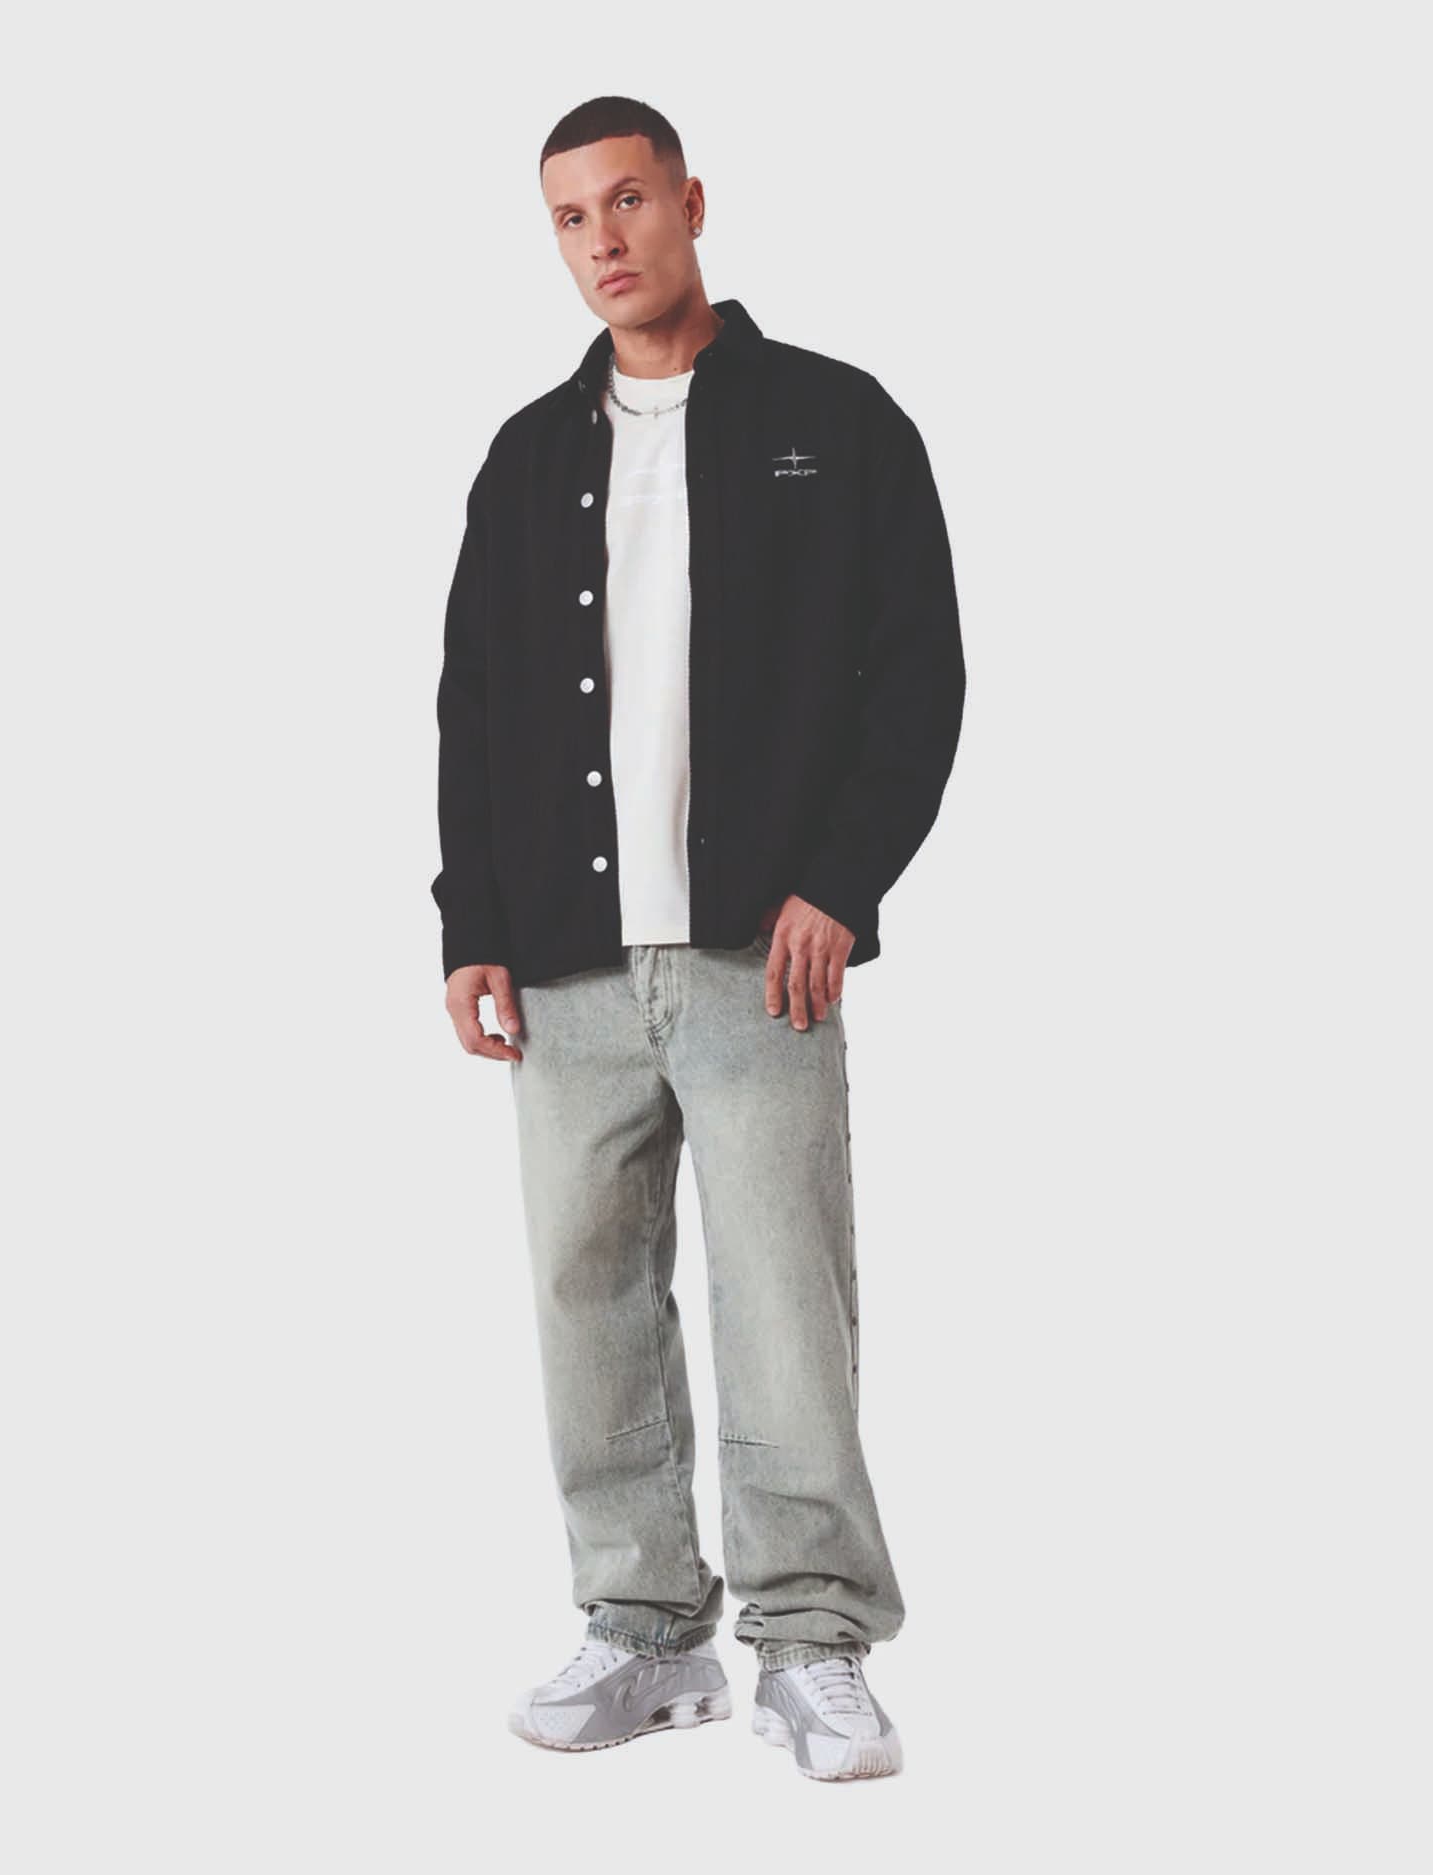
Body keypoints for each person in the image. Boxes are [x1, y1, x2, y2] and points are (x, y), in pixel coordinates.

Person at [432, 95, 965, 1782]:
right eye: (569, 216)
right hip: (568, 968)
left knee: (785, 1301)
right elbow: (474, 704)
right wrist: (471, 923)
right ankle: (645, 1631)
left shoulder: (835, 421)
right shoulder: (527, 456)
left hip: (759, 956)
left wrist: (843, 881)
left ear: (691, 202)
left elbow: (920, 675)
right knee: (585, 1297)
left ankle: (812, 1643)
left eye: (628, 200)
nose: (602, 240)